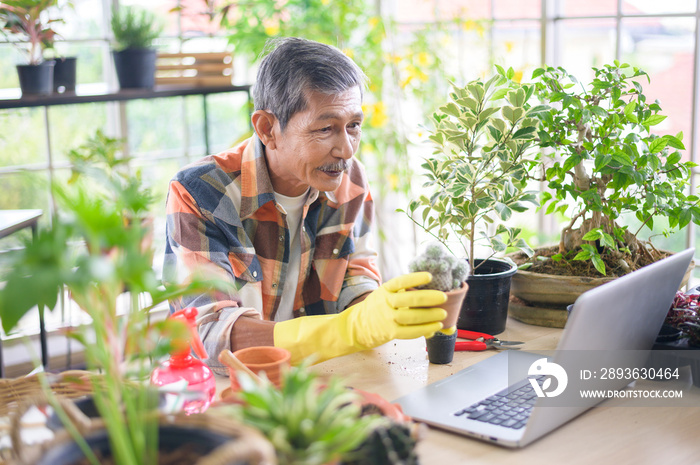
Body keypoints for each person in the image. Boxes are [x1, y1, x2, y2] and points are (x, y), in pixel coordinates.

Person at [163, 37, 447, 374]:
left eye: (353, 126)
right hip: (221, 390)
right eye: (326, 128)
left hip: (318, 377)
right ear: (268, 129)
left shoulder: (350, 181)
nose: (346, 149)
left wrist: (384, 311)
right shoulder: (200, 193)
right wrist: (348, 329)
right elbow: (211, 336)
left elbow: (354, 281)